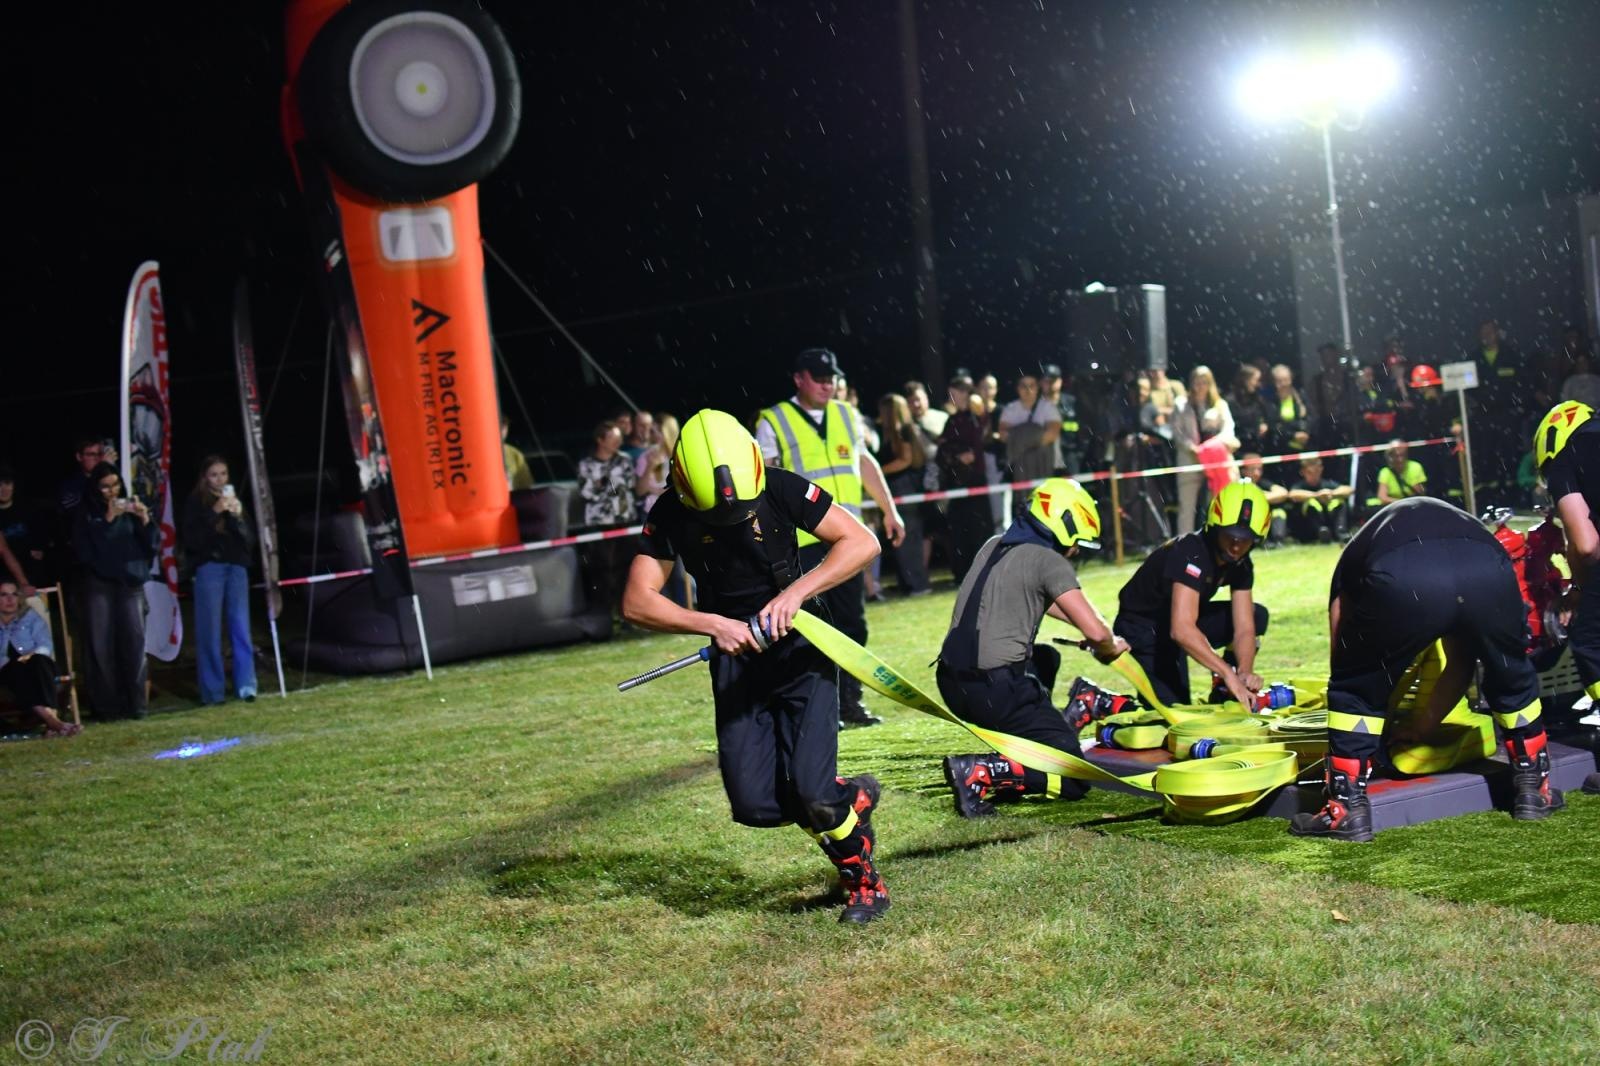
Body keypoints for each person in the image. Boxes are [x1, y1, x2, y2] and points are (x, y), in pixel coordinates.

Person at [621, 409, 890, 923]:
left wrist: (794, 596)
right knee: (756, 806)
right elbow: (637, 601)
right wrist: (713, 625)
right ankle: (850, 800)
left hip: (801, 653)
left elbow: (862, 542)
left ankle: (864, 881)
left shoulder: (783, 487)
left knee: (810, 794)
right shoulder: (670, 511)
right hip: (735, 664)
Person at [1290, 496, 1567, 840]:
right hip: (1488, 566)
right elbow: (1462, 659)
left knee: (1355, 687)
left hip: (1406, 571)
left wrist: (1363, 712)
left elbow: (1343, 657)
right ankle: (1533, 789)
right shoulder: (1452, 523)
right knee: (1511, 674)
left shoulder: (1356, 556)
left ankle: (1346, 809)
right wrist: (1424, 725)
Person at [937, 479, 1129, 818]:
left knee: (1046, 659)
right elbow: (1098, 632)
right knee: (1074, 776)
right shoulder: (1046, 559)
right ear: (1065, 527)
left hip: (953, 683)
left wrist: (1083, 627)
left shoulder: (995, 545)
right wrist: (1109, 645)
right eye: (1077, 544)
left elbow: (1029, 597)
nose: (1075, 552)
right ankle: (982, 773)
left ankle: (1022, 753)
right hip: (996, 689)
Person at [757, 348, 905, 729]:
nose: (828, 384)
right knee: (810, 630)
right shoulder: (773, 420)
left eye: (832, 377)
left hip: (847, 539)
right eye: (819, 376)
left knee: (852, 625)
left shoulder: (846, 413)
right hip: (800, 543)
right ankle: (815, 707)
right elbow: (765, 481)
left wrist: (889, 509)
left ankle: (849, 703)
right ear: (798, 379)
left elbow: (864, 463)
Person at [1110, 481, 1272, 708]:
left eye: (1245, 540)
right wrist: (1227, 672)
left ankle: (1224, 690)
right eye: (1231, 536)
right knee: (1175, 716)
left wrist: (1243, 672)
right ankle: (1101, 701)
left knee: (1257, 615)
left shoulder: (1241, 564)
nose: (1236, 546)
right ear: (1215, 528)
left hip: (1181, 619)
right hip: (1144, 627)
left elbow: (1244, 626)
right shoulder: (1190, 552)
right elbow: (1182, 629)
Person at [72, 462, 158, 721]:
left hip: (130, 583)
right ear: (96, 488)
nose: (111, 491)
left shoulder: (129, 509)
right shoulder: (86, 512)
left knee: (134, 644)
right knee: (101, 647)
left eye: (115, 485)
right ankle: (106, 708)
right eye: (105, 486)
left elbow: (148, 547)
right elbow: (86, 552)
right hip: (99, 585)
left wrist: (144, 520)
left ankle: (136, 705)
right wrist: (107, 520)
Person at [181, 456, 258, 705]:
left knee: (240, 627)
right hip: (209, 568)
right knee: (209, 630)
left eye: (223, 474)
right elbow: (192, 540)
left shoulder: (233, 499)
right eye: (214, 474)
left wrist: (237, 516)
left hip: (236, 567)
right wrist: (214, 513)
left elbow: (249, 539)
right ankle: (213, 692)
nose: (219, 479)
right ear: (205, 477)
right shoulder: (196, 503)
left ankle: (246, 686)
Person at [936, 375, 997, 585]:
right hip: (957, 482)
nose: (953, 397)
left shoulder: (976, 416)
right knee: (959, 531)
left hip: (975, 480)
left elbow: (983, 425)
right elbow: (942, 451)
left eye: (958, 392)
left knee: (979, 530)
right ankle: (962, 574)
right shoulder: (953, 420)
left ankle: (983, 572)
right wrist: (956, 456)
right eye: (952, 392)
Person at [576, 419, 638, 620]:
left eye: (619, 438)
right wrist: (606, 487)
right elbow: (587, 493)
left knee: (626, 567)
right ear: (600, 440)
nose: (618, 443)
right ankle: (605, 613)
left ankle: (626, 612)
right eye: (613, 438)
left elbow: (629, 484)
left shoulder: (624, 460)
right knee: (601, 569)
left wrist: (602, 485)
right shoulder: (586, 464)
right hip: (598, 523)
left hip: (624, 520)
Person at [0, 580, 78, 736]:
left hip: (38, 664)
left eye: (14, 594)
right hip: (8, 671)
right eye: (3, 595)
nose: (10, 599)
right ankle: (52, 722)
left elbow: (45, 644)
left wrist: (31, 657)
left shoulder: (30, 617)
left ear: (19, 597)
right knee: (17, 671)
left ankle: (50, 721)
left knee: (37, 663)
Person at [873, 394, 931, 596]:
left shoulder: (905, 431)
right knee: (902, 539)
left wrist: (879, 470)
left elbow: (906, 460)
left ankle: (918, 584)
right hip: (899, 487)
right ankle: (908, 583)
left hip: (905, 487)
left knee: (909, 539)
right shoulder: (890, 433)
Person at [1172, 365, 1237, 536]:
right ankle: (1184, 545)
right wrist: (1193, 448)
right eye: (1197, 382)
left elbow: (1229, 429)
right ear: (1191, 383)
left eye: (1204, 382)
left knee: (1220, 503)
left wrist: (1213, 445)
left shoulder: (1220, 404)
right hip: (1190, 460)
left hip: (1217, 461)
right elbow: (1177, 433)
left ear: (1210, 384)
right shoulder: (1181, 405)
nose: (1200, 386)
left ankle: (1223, 540)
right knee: (1187, 506)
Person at [997, 371, 1062, 495]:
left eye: (1031, 385)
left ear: (1037, 387)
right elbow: (1003, 435)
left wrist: (1019, 437)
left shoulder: (1048, 408)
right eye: (1023, 386)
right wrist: (1035, 434)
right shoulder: (1010, 409)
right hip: (1019, 471)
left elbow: (1052, 434)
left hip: (1046, 467)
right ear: (1017, 388)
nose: (1027, 390)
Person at [1286, 456, 1353, 543]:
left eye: (1317, 471)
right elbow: (1292, 494)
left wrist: (1331, 494)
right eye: (1310, 472)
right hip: (1308, 527)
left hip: (1329, 519)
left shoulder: (1327, 484)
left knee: (1338, 502)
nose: (1314, 475)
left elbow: (1349, 490)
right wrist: (1316, 495)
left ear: (1321, 470)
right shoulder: (1300, 485)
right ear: (1303, 472)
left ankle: (1341, 533)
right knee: (1310, 503)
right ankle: (1321, 532)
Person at [1038, 363, 1083, 476]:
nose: (1050, 384)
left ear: (1060, 381)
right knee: (1046, 494)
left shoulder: (1072, 403)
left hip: (1069, 459)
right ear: (1042, 383)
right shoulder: (1035, 407)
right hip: (1044, 462)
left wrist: (1078, 454)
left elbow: (1082, 429)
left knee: (1071, 492)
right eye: (1047, 380)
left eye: (1053, 380)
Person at [1238, 453, 1290, 547]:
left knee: (1279, 511)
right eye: (1252, 469)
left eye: (1259, 469)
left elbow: (1283, 493)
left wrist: (1260, 497)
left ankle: (1278, 541)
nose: (1257, 473)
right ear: (1243, 470)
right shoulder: (1238, 483)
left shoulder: (1262, 482)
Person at [1373, 439, 1428, 507]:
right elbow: (1382, 498)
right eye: (1396, 455)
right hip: (1393, 507)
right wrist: (1401, 503)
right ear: (1390, 457)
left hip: (1413, 506)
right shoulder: (1385, 472)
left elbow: (1420, 494)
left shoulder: (1416, 467)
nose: (1400, 459)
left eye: (1402, 455)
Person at [502, 415, 534, 491]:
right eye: (498, 424)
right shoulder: (476, 454)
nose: (502, 429)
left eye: (504, 425)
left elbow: (526, 487)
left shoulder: (515, 454)